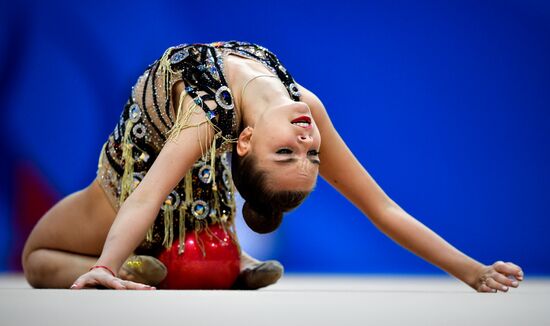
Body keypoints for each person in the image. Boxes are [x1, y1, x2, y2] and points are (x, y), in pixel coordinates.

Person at [22, 41, 523, 292]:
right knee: (193, 179)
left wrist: (473, 272)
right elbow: (384, 207)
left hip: (134, 175)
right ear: (243, 139)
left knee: (38, 255)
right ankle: (204, 264)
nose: (307, 142)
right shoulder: (305, 105)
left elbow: (146, 194)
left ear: (245, 141)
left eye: (291, 152)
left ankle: (143, 264)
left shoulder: (205, 117)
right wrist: (472, 269)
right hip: (193, 180)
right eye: (308, 154)